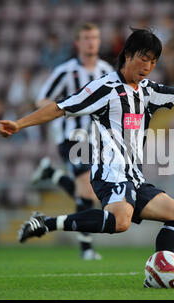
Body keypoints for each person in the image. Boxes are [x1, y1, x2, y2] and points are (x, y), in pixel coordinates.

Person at [0, 28, 174, 286]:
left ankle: (157, 276)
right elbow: (60, 107)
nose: (148, 66)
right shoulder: (104, 88)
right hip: (108, 173)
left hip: (134, 177)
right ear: (128, 55)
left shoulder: (148, 91)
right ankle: (47, 223)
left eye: (154, 61)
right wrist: (20, 124)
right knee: (120, 222)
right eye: (144, 58)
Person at [30, 23, 113, 260]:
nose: (91, 42)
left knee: (89, 192)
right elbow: (41, 101)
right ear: (78, 43)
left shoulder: (106, 71)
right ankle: (86, 248)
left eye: (95, 38)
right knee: (87, 186)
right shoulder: (65, 72)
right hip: (71, 137)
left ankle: (51, 175)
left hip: (97, 140)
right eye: (86, 38)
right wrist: (68, 108)